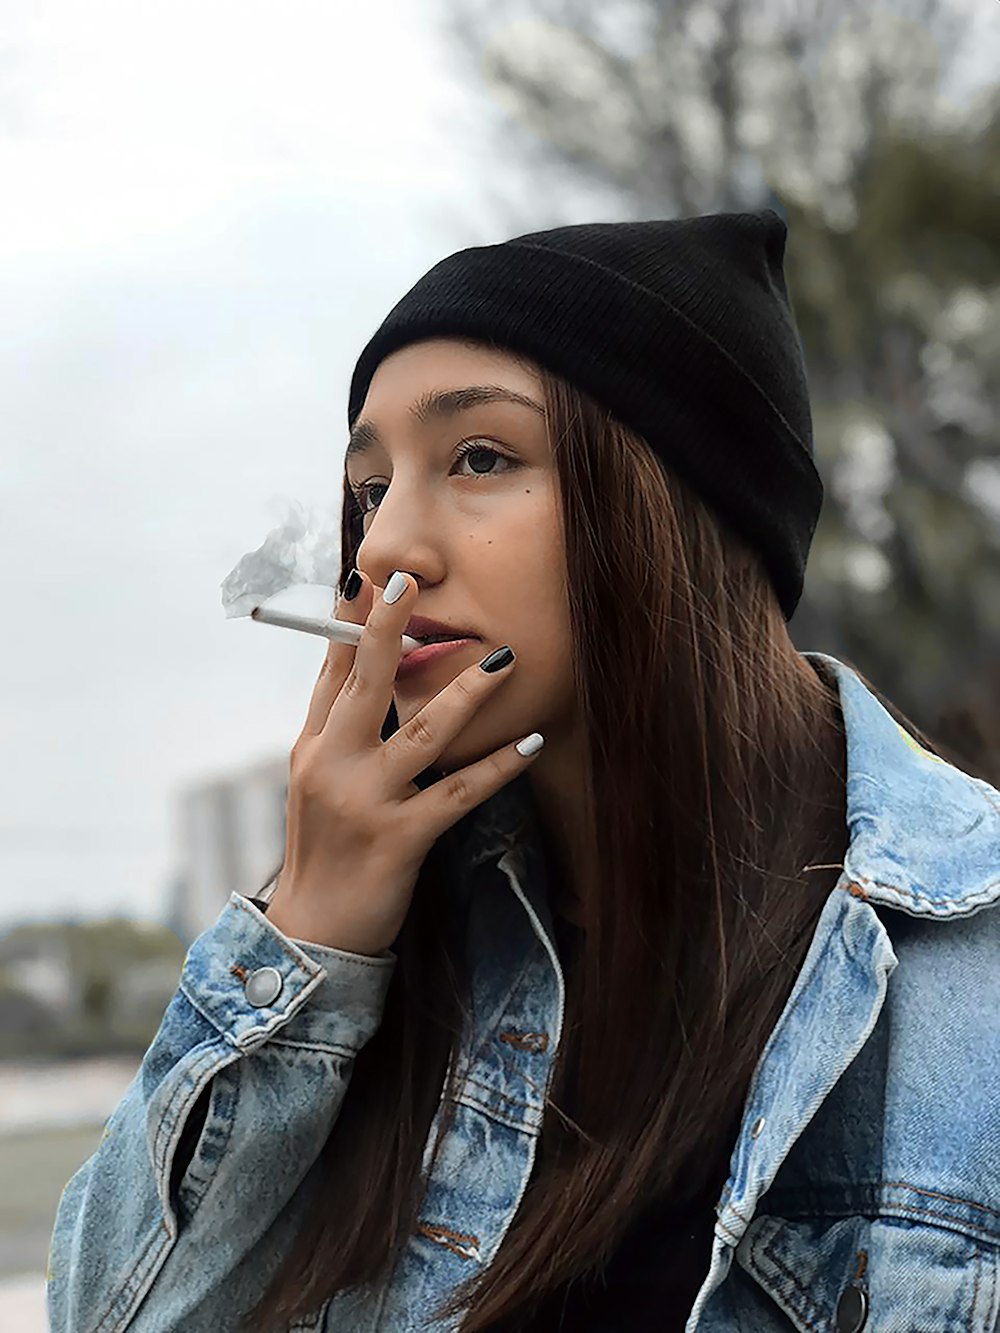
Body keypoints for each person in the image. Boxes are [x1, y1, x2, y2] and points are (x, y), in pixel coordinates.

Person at [46, 210, 1000, 1333]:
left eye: (481, 457)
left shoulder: (960, 970)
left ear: (682, 506)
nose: (385, 547)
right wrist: (311, 928)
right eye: (369, 489)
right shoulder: (385, 946)